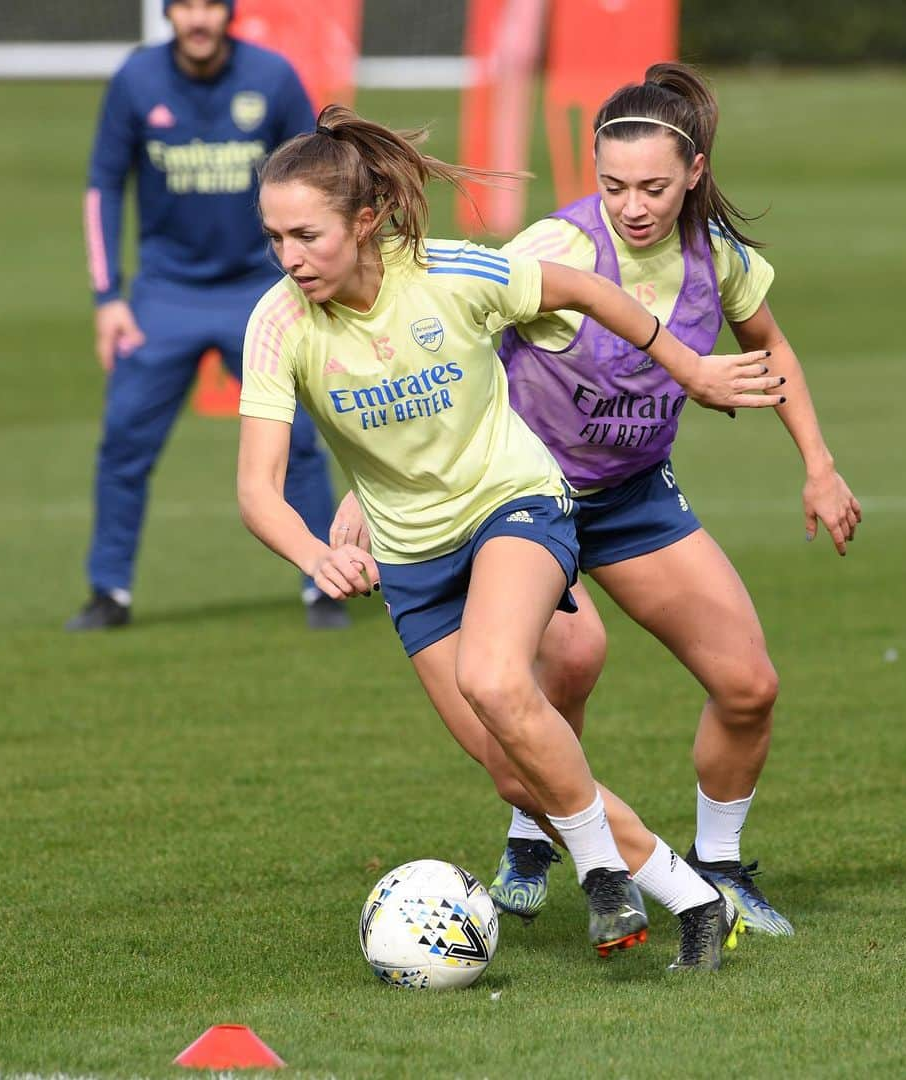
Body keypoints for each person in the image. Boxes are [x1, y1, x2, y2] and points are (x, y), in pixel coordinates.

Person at [237, 105, 787, 967]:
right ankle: (693, 897)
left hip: (515, 505)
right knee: (513, 772)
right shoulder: (278, 324)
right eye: (274, 238)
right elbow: (256, 490)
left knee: (494, 676)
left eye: (305, 234)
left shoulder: (450, 273)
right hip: (413, 562)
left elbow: (588, 291)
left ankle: (600, 872)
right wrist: (318, 553)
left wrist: (691, 368)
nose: (288, 257)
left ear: (364, 219)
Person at [334, 63, 861, 935]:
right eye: (613, 185)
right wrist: (372, 480)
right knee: (569, 664)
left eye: (654, 186)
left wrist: (820, 465)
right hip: (520, 502)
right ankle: (535, 834)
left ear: (693, 174)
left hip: (630, 497)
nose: (633, 205)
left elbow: (774, 352)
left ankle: (722, 868)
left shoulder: (716, 259)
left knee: (749, 685)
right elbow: (438, 352)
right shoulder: (555, 249)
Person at [70, 0, 345, 631]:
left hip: (260, 289)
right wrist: (107, 296)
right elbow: (102, 184)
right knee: (123, 443)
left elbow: (322, 180)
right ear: (169, 13)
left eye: (209, 6)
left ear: (229, 13)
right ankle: (109, 590)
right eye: (184, 6)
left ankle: (323, 581)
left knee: (298, 443)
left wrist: (314, 277)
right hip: (164, 295)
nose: (197, 19)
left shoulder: (273, 77)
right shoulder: (135, 80)